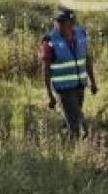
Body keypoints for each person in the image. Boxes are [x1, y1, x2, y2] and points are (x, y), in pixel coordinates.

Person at [39, 8, 98, 138]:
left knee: (71, 120)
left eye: (63, 22)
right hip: (63, 89)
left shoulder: (81, 35)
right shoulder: (50, 41)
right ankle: (76, 151)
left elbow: (86, 59)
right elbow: (46, 69)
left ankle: (65, 145)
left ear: (72, 22)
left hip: (80, 86)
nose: (59, 25)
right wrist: (49, 94)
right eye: (57, 21)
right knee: (77, 125)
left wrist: (93, 82)